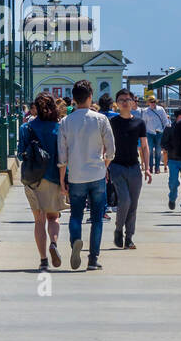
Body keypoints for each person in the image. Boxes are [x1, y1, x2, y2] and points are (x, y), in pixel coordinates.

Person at [57, 79, 115, 270]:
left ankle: (75, 241)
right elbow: (111, 150)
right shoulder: (100, 119)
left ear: (73, 99)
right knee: (97, 218)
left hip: (75, 176)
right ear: (90, 97)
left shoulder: (65, 121)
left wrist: (61, 179)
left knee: (75, 215)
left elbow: (62, 155)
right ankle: (93, 259)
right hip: (97, 174)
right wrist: (105, 165)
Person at [18, 93, 64, 271]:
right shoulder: (59, 128)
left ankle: (43, 259)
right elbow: (63, 156)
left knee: (39, 220)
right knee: (53, 217)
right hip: (53, 178)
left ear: (35, 108)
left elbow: (20, 152)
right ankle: (53, 243)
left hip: (32, 180)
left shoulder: (26, 127)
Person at [109, 88, 152, 249]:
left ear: (133, 102)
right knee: (124, 200)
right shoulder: (112, 123)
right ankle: (119, 229)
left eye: (128, 99)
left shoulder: (139, 122)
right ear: (117, 104)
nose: (125, 102)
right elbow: (106, 146)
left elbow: (145, 146)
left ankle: (129, 237)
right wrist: (105, 167)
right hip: (117, 166)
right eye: (121, 100)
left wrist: (147, 168)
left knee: (133, 204)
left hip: (134, 167)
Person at [162, 106, 181, 210]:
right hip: (173, 160)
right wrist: (172, 148)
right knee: (173, 182)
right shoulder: (169, 128)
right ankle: (172, 198)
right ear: (179, 116)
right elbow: (163, 143)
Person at [141, 94, 170, 174]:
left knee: (158, 151)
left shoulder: (161, 109)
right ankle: (150, 168)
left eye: (154, 101)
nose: (153, 103)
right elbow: (143, 123)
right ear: (148, 103)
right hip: (149, 133)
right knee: (149, 151)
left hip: (159, 133)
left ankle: (157, 168)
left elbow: (165, 121)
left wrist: (165, 131)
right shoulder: (145, 111)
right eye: (151, 102)